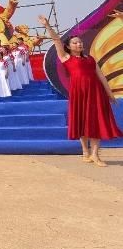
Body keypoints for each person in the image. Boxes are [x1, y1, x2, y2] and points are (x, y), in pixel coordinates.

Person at [39, 15, 122, 166]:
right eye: (75, 43)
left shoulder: (90, 59)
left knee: (96, 122)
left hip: (95, 93)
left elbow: (101, 76)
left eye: (80, 42)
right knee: (82, 122)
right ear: (69, 46)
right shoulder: (66, 58)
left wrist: (109, 94)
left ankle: (96, 155)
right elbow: (57, 41)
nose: (79, 44)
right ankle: (85, 152)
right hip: (79, 94)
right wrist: (48, 26)